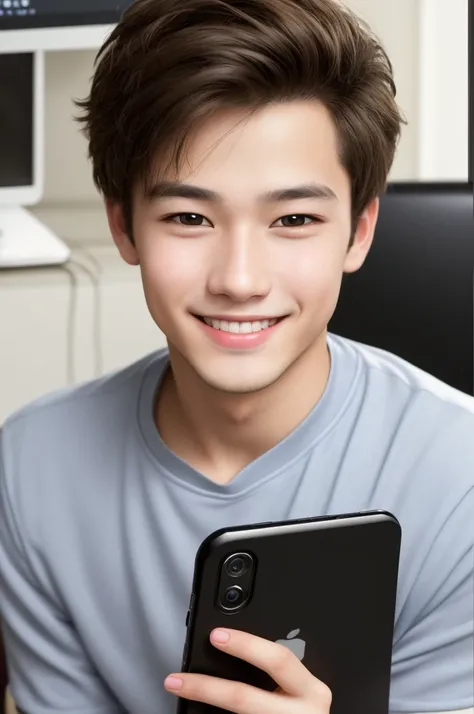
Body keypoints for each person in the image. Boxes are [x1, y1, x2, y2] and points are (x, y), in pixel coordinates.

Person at [1, 0, 473, 712]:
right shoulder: (33, 466)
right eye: (189, 217)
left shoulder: (460, 480)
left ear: (359, 230)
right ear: (123, 225)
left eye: (293, 220)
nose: (240, 279)